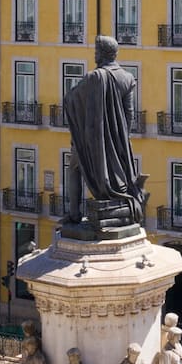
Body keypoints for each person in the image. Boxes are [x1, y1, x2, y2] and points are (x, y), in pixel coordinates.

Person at [64, 35, 146, 228]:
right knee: (121, 172)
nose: (94, 54)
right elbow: (129, 113)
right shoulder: (127, 78)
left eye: (96, 51)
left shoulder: (94, 77)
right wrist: (122, 138)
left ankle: (74, 213)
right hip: (119, 138)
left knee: (75, 169)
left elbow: (71, 99)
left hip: (91, 138)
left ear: (101, 54)